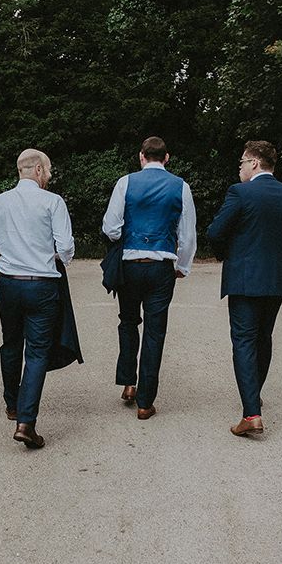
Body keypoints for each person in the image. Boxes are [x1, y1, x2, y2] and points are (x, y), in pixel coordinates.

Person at [0, 149, 75, 450]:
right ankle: (26, 423)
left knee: (10, 343)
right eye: (48, 170)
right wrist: (58, 257)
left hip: (9, 285)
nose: (49, 175)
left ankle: (12, 404)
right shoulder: (52, 202)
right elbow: (67, 247)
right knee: (36, 353)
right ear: (37, 170)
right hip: (42, 285)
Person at [102, 136, 196, 419]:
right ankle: (145, 401)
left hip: (130, 266)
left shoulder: (125, 183)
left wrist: (127, 238)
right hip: (160, 267)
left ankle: (129, 383)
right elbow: (188, 234)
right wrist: (182, 265)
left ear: (141, 156)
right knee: (155, 331)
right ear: (166, 158)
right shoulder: (181, 187)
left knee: (128, 322)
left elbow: (110, 227)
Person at [207, 141, 282, 437]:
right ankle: (254, 396)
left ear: (254, 163)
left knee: (243, 340)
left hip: (244, 279)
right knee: (263, 338)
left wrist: (226, 251)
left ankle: (251, 413)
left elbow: (215, 231)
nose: (239, 168)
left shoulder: (240, 192)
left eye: (242, 162)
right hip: (277, 280)